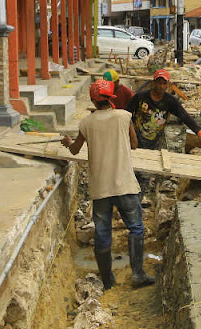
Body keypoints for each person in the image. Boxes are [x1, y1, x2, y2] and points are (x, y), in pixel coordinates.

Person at [60, 79, 154, 290]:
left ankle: (107, 279)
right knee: (136, 228)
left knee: (103, 234)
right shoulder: (124, 116)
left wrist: (67, 142)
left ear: (93, 100)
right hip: (125, 184)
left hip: (101, 188)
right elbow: (134, 144)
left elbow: (75, 150)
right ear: (111, 97)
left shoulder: (86, 123)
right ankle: (138, 274)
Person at [127, 68, 201, 151]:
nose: (161, 86)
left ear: (168, 85)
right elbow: (127, 114)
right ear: (153, 83)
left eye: (164, 83)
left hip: (156, 141)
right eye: (159, 83)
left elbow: (185, 118)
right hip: (136, 139)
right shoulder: (140, 97)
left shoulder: (170, 101)